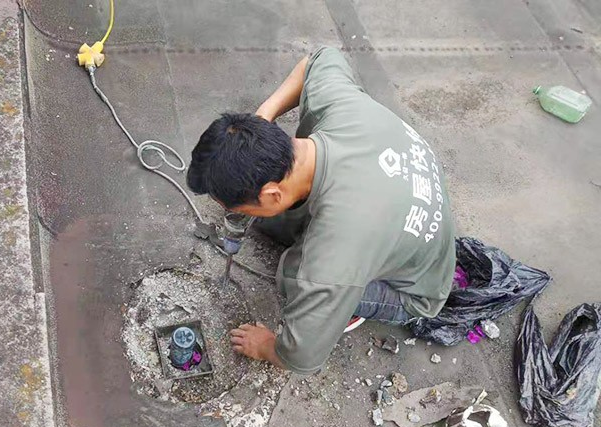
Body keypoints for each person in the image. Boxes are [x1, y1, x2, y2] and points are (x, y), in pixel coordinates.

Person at [186, 47, 456, 374]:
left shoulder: (333, 257)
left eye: (235, 208)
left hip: (412, 288)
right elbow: (318, 58)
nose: (235, 216)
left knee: (293, 277)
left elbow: (301, 359)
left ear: (271, 193)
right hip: (393, 211)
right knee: (277, 227)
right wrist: (264, 113)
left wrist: (267, 346)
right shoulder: (339, 109)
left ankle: (348, 310)